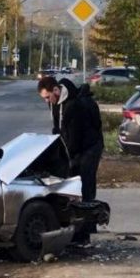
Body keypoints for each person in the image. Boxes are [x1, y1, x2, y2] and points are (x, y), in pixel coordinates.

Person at [38, 76, 104, 244]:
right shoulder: (56, 103)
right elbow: (58, 129)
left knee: (84, 188)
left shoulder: (74, 106)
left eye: (47, 97)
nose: (47, 101)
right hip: (77, 148)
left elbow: (74, 139)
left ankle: (84, 236)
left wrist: (67, 160)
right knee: (73, 189)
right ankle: (76, 231)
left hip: (89, 148)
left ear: (56, 90)